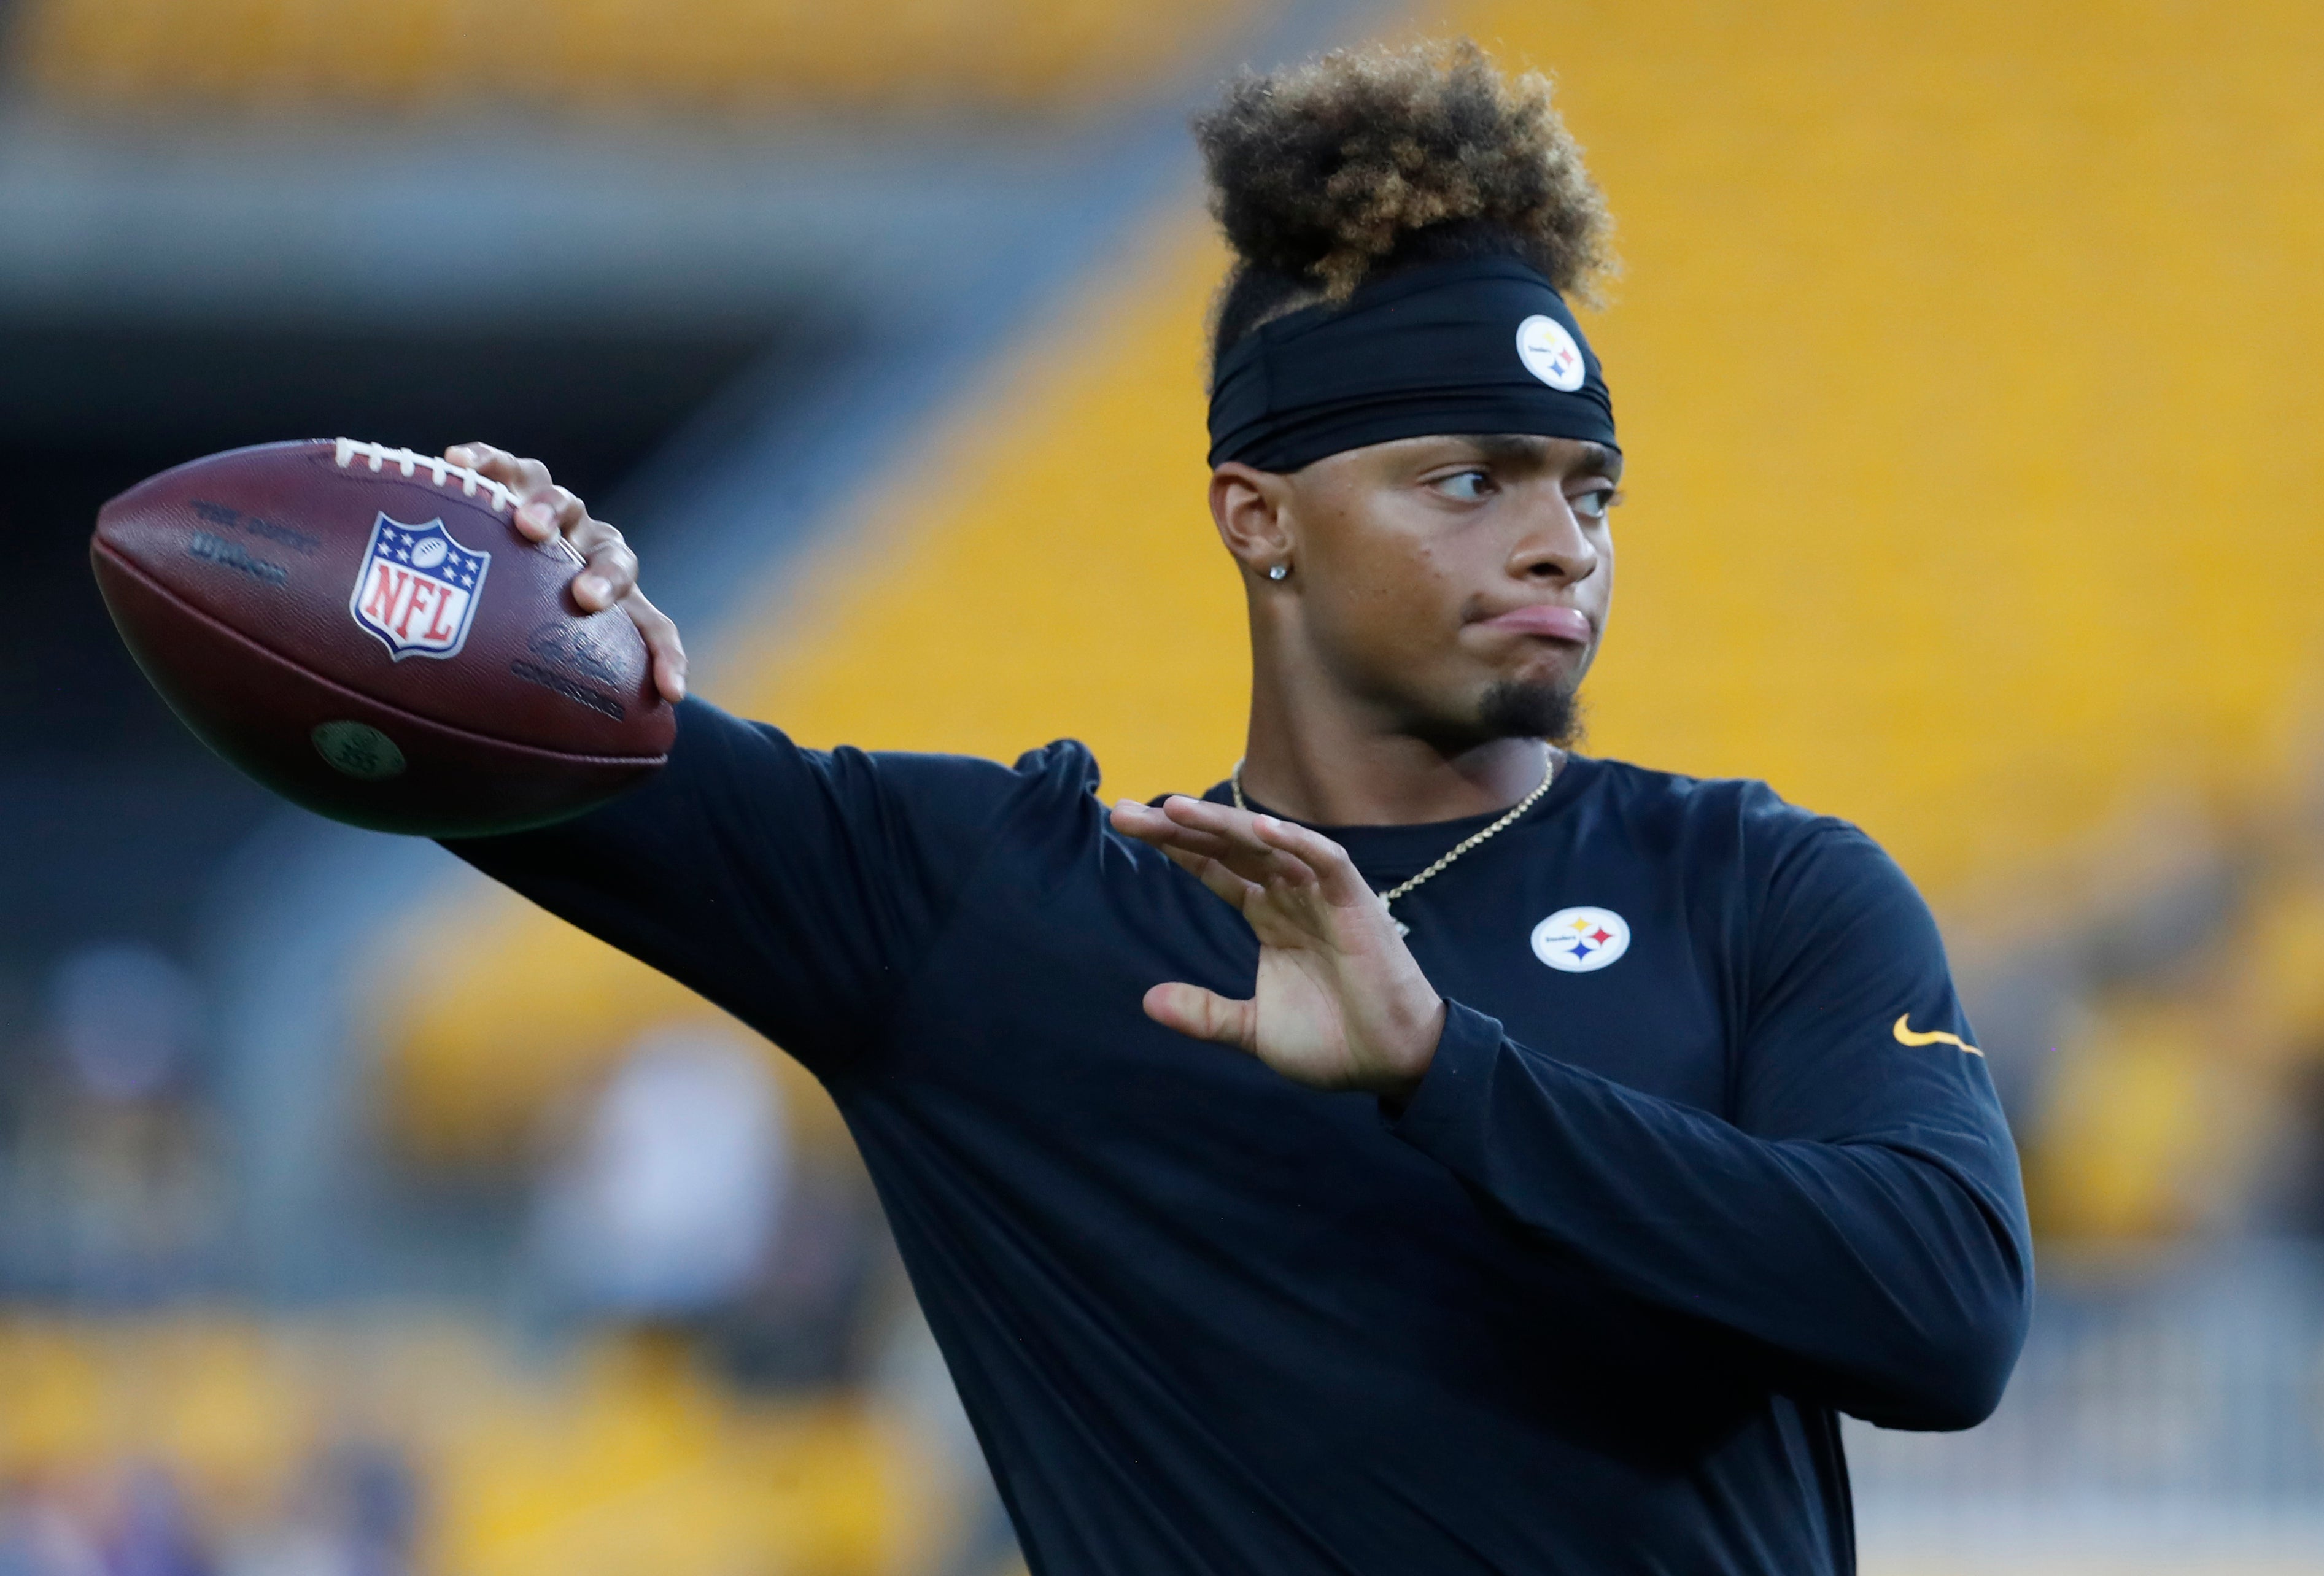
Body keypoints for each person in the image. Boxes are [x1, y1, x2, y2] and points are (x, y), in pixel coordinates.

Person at [438, 41, 2031, 1575]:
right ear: (1256, 516)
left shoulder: (1758, 889)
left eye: (1585, 487)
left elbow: (1943, 1318)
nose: (1561, 545)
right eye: (1470, 481)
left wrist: (1442, 1070)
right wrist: (537, 616)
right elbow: (427, 712)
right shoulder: (989, 914)